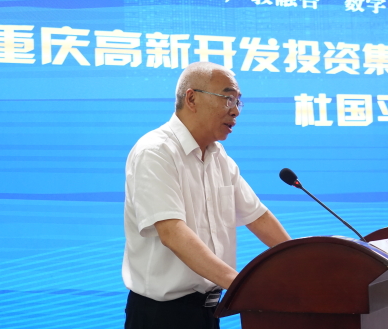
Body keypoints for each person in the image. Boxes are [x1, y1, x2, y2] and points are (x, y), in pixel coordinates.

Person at [122, 62, 291, 329]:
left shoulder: (218, 157)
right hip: (162, 316)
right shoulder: (155, 152)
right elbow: (173, 233)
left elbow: (257, 216)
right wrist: (241, 286)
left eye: (238, 101)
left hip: (210, 311)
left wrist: (301, 265)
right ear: (191, 99)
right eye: (227, 99)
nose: (235, 110)